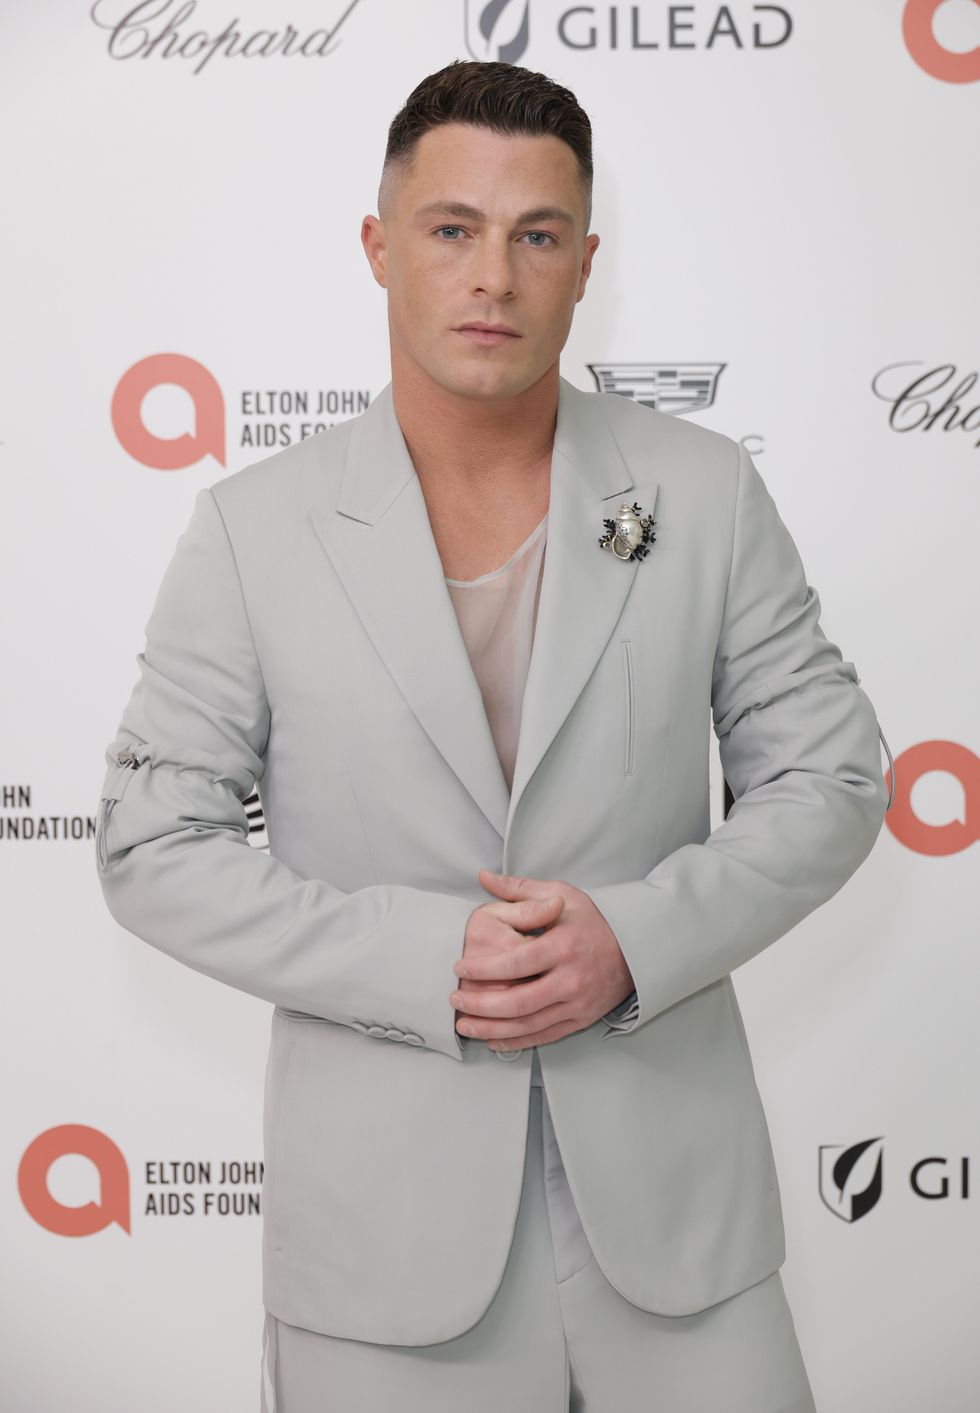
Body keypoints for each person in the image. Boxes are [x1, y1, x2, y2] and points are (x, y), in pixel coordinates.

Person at [95, 59, 894, 1412]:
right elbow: (150, 848)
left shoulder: (703, 492)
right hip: (383, 1257)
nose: (494, 278)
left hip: (679, 1228)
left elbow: (830, 775)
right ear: (379, 248)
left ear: (586, 265)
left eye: (537, 236)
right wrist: (429, 961)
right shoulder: (252, 528)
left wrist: (632, 937)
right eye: (452, 229)